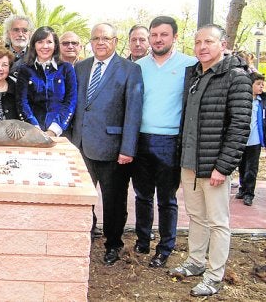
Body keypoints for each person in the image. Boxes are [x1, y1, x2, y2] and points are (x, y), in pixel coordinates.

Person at [169, 24, 252, 297]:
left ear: (223, 44)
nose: (202, 47)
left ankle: (214, 276)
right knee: (196, 217)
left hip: (215, 166)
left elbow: (240, 126)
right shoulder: (193, 74)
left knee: (218, 222)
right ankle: (195, 262)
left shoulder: (236, 77)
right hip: (190, 162)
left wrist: (223, 166)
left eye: (209, 41)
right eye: (198, 42)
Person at [71, 22, 143, 266]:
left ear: (115, 41)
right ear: (90, 42)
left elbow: (133, 111)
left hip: (113, 148)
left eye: (106, 38)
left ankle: (113, 244)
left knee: (113, 201)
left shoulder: (130, 69)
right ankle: (85, 234)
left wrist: (127, 148)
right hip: (81, 146)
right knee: (81, 198)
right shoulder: (79, 67)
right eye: (96, 38)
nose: (100, 42)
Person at [131, 16, 198, 268]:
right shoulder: (138, 66)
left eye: (164, 34)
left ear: (175, 37)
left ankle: (165, 247)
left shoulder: (190, 65)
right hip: (141, 139)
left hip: (170, 141)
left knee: (167, 198)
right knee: (142, 195)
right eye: (154, 35)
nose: (158, 39)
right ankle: (143, 239)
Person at [16, 26, 77, 138]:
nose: (45, 46)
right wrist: (34, 127)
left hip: (61, 132)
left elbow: (70, 101)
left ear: (55, 45)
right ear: (34, 45)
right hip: (31, 133)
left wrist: (54, 130)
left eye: (49, 42)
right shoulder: (25, 70)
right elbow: (22, 102)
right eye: (40, 42)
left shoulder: (66, 69)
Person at [235, 72, 265, 206]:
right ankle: (242, 188)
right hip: (241, 139)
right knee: (241, 166)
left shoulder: (263, 101)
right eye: (258, 84)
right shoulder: (241, 100)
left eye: (262, 84)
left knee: (252, 168)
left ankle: (249, 193)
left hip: (255, 140)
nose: (261, 87)